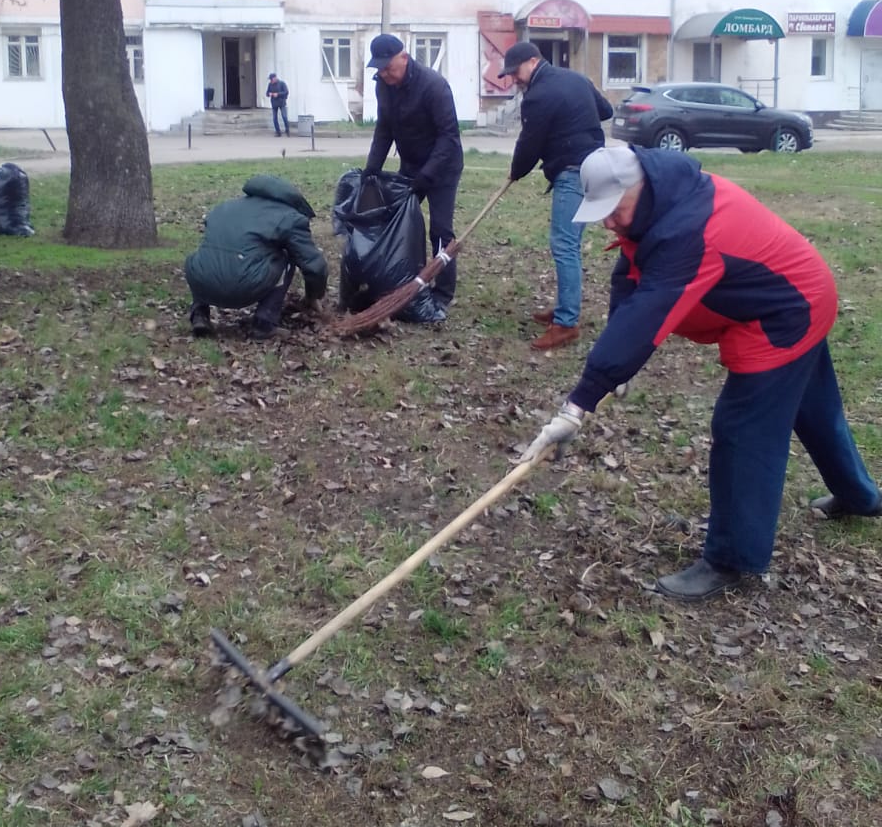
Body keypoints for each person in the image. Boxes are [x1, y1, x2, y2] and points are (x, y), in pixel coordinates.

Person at [522, 144, 881, 602]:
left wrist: (577, 406)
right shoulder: (659, 204)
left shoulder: (689, 228)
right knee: (814, 411)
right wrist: (617, 369)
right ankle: (860, 497)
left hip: (786, 313)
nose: (608, 223)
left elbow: (650, 313)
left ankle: (731, 558)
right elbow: (629, 283)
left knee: (742, 429)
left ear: (638, 187)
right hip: (793, 295)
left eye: (614, 210)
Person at [498, 41, 613, 350]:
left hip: (573, 171)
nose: (514, 79)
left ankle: (566, 323)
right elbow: (606, 110)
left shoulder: (538, 96)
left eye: (515, 72)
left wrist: (516, 171)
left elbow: (530, 143)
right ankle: (565, 308)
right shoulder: (576, 79)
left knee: (564, 245)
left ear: (533, 62)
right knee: (570, 244)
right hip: (596, 166)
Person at [363, 33, 464, 312]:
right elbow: (384, 128)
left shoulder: (433, 85)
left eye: (388, 67)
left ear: (404, 57)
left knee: (440, 229)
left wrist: (427, 175)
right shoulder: (383, 86)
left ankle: (442, 292)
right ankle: (400, 279)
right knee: (398, 222)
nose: (385, 74)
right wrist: (372, 167)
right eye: (380, 69)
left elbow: (449, 136)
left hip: (443, 167)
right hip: (411, 165)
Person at [184, 174, 327, 339]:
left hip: (202, 282)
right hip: (243, 285)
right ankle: (265, 322)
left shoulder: (224, 207)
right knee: (288, 258)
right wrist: (313, 295)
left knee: (206, 258)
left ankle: (200, 315)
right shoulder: (290, 218)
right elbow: (314, 266)